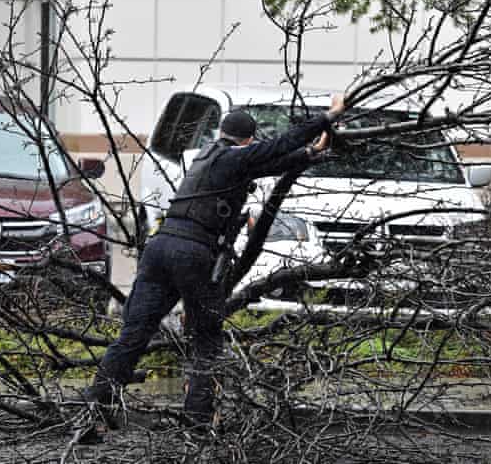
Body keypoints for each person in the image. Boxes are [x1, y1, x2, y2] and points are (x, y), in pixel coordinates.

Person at [82, 94, 347, 436]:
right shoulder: (237, 158)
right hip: (194, 253)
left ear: (221, 131)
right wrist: (328, 116)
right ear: (248, 140)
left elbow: (270, 163)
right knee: (206, 341)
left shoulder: (205, 156)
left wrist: (312, 153)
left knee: (133, 335)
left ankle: (92, 409)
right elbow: (278, 147)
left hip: (159, 248)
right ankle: (197, 424)